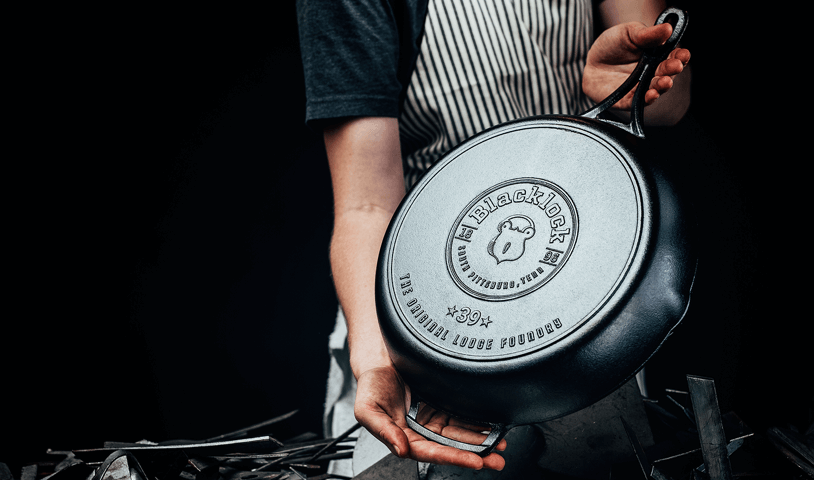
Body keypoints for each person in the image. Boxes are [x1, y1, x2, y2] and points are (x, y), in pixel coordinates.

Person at [297, 0, 692, 474]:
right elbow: (366, 204)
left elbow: (673, 101)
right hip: (422, 314)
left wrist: (635, 81)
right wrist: (381, 358)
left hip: (581, 314)